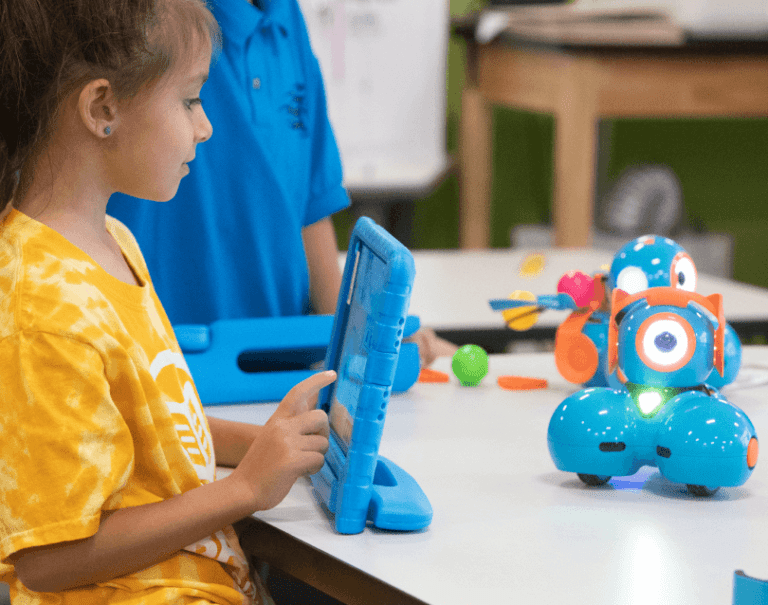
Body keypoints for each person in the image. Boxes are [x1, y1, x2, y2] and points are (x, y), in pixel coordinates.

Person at [0, 0, 334, 603]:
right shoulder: (41, 307)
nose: (205, 126)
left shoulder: (114, 243)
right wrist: (246, 490)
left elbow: (146, 431)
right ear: (103, 108)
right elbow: (48, 558)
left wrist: (272, 442)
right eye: (189, 101)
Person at [106, 0, 456, 367]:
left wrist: (363, 338)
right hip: (163, 366)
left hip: (281, 369)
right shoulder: (155, 19)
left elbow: (309, 206)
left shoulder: (285, 14)